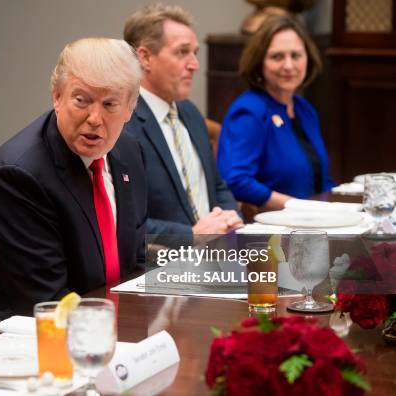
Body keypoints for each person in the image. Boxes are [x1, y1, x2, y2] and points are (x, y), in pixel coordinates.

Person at [0, 38, 146, 335]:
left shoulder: (128, 151)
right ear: (56, 96)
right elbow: (48, 301)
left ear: (130, 109)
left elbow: (134, 262)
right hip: (5, 341)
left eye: (110, 104)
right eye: (82, 100)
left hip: (98, 327)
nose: (94, 118)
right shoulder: (18, 177)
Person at [123, 3, 243, 242]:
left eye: (195, 53)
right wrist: (191, 235)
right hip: (159, 265)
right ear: (144, 57)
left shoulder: (190, 113)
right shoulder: (124, 126)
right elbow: (125, 223)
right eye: (182, 52)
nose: (194, 65)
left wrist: (231, 218)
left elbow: (217, 186)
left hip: (217, 253)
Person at [217, 15, 334, 210]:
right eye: (277, 56)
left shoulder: (304, 109)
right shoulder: (250, 110)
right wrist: (293, 205)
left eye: (295, 56)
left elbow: (320, 178)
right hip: (273, 230)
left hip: (314, 221)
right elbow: (235, 179)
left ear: (308, 59)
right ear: (259, 62)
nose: (288, 66)